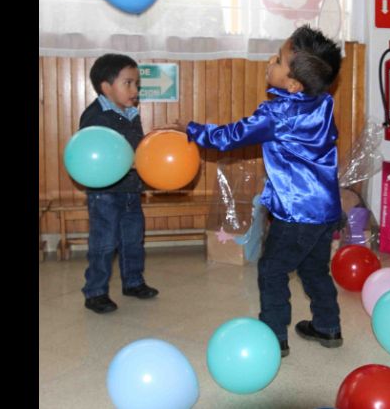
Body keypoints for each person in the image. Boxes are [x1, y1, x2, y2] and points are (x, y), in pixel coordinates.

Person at [184, 25, 343, 358]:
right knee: (314, 268)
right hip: (326, 210)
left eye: (279, 59)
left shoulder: (276, 114)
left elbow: (228, 137)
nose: (270, 61)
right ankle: (328, 326)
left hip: (296, 213)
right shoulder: (323, 103)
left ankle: (274, 336)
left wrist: (190, 130)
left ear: (293, 83)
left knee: (272, 269)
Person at [80, 53, 159, 314]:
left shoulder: (132, 113)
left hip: (130, 190)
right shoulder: (95, 116)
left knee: (133, 239)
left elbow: (138, 148)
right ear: (106, 86)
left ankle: (133, 281)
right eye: (128, 83)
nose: (135, 90)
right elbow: (99, 154)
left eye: (137, 84)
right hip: (104, 193)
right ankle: (96, 291)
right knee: (104, 242)